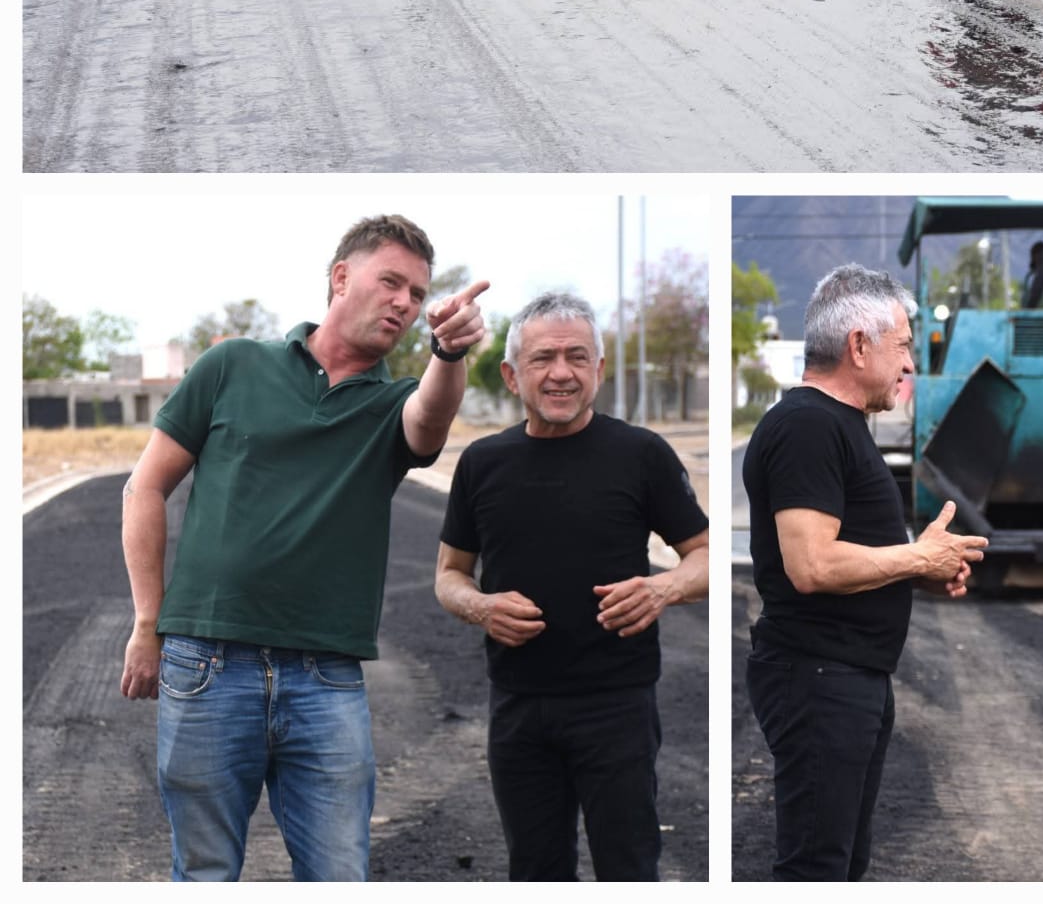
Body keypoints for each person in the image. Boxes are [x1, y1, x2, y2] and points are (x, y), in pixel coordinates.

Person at [119, 215, 490, 881]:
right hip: (206, 666)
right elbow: (144, 488)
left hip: (325, 681)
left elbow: (430, 418)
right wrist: (148, 623)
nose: (405, 303)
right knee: (203, 873)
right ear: (341, 278)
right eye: (392, 283)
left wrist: (450, 353)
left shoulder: (392, 405)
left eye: (417, 293)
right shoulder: (233, 365)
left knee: (337, 876)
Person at [436, 291, 708, 882]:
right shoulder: (482, 463)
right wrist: (482, 607)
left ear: (600, 370)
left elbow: (705, 558)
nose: (561, 373)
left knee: (629, 868)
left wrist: (662, 591)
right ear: (512, 375)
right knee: (535, 871)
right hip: (518, 709)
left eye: (577, 357)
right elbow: (448, 576)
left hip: (617, 707)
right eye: (543, 358)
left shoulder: (642, 455)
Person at [743, 264, 987, 881]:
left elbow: (844, 551)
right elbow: (812, 564)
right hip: (818, 679)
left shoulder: (837, 425)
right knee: (815, 870)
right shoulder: (807, 425)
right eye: (903, 345)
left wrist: (922, 572)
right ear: (859, 345)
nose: (909, 364)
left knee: (843, 865)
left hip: (845, 677)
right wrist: (917, 558)